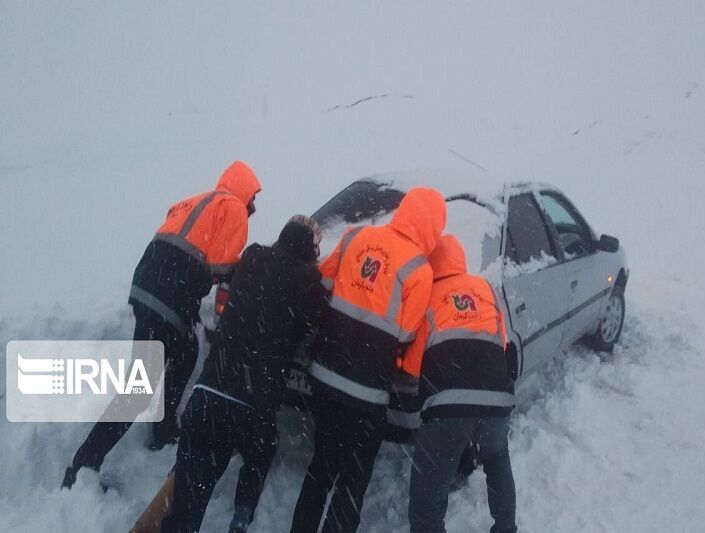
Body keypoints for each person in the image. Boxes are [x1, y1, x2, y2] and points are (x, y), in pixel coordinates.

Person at [62, 161, 262, 489]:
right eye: (252, 199)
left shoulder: (196, 200)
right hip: (172, 295)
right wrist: (243, 271)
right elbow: (223, 264)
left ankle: (163, 429)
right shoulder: (234, 209)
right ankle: (83, 466)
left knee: (185, 352)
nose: (252, 207)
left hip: (146, 287)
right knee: (139, 389)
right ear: (245, 192)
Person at [291, 187, 447, 533]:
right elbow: (406, 334)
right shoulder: (419, 271)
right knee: (353, 480)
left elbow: (326, 282)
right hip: (367, 394)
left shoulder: (356, 235)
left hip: (325, 376)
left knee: (321, 466)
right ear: (433, 227)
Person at [161, 217, 329, 533]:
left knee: (196, 473)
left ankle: (179, 514)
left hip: (208, 391)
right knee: (260, 451)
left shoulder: (252, 258)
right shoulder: (309, 283)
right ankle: (240, 518)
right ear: (309, 251)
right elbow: (315, 327)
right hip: (251, 405)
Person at [402, 235, 517, 533]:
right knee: (498, 462)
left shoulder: (427, 294)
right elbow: (502, 341)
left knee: (427, 491)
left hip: (447, 408)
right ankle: (506, 527)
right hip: (497, 401)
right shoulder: (485, 289)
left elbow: (414, 364)